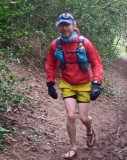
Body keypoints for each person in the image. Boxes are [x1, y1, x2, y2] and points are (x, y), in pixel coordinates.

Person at [45, 12, 103, 159]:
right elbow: (51, 64)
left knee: (84, 118)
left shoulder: (85, 43)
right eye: (62, 25)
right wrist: (50, 83)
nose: (65, 28)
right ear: (58, 26)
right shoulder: (55, 45)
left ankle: (89, 130)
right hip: (67, 83)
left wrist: (96, 83)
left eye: (67, 24)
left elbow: (96, 64)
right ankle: (73, 147)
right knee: (70, 115)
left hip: (83, 84)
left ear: (74, 25)